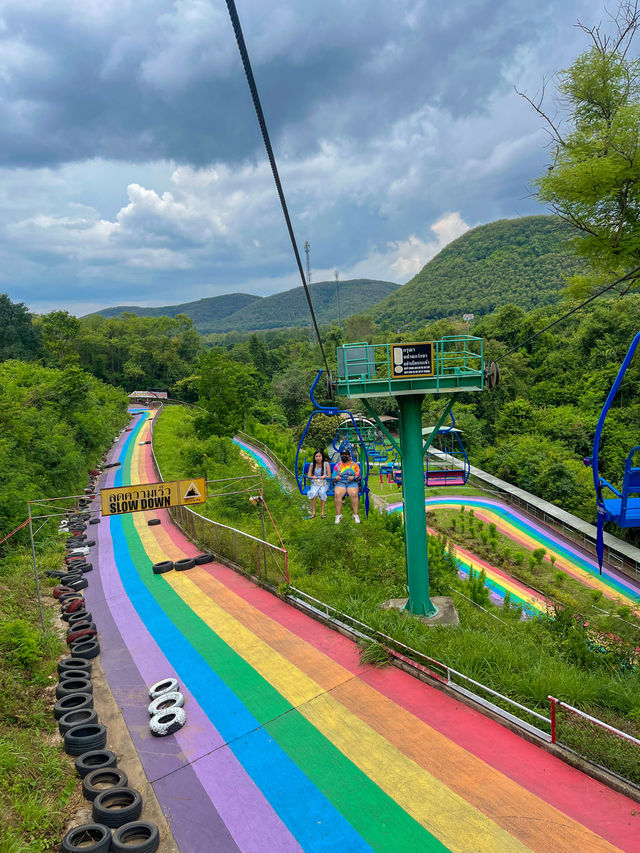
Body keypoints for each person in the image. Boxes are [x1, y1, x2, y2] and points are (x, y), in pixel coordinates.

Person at [333, 448, 360, 524]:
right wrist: (336, 478)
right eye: (342, 455)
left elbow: (359, 476)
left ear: (349, 456)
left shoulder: (354, 465)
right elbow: (333, 477)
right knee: (337, 494)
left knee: (354, 494)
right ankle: (338, 515)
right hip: (341, 482)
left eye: (346, 455)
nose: (344, 456)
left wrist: (353, 477)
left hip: (351, 482)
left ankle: (355, 514)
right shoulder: (337, 466)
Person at [306, 449, 331, 519]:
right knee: (313, 493)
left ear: (322, 457)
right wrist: (312, 477)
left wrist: (324, 476)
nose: (318, 458)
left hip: (324, 483)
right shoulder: (312, 465)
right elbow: (308, 477)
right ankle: (313, 512)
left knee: (322, 492)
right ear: (314, 457)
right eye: (316, 456)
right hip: (316, 483)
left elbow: (329, 476)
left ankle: (322, 513)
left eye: (319, 456)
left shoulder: (326, 464)